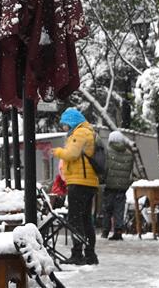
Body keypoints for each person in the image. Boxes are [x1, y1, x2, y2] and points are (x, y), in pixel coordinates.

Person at [53, 108, 99, 265]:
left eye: (65, 124)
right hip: (87, 182)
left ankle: (78, 254)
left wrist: (58, 151)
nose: (64, 128)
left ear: (72, 121)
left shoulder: (80, 133)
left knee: (76, 219)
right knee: (86, 218)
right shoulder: (87, 131)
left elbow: (72, 154)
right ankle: (90, 254)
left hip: (80, 183)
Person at [102, 130, 135, 240]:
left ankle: (105, 231)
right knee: (119, 210)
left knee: (107, 210)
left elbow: (104, 168)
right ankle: (118, 231)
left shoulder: (107, 152)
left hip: (109, 186)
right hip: (122, 188)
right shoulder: (129, 154)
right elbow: (129, 171)